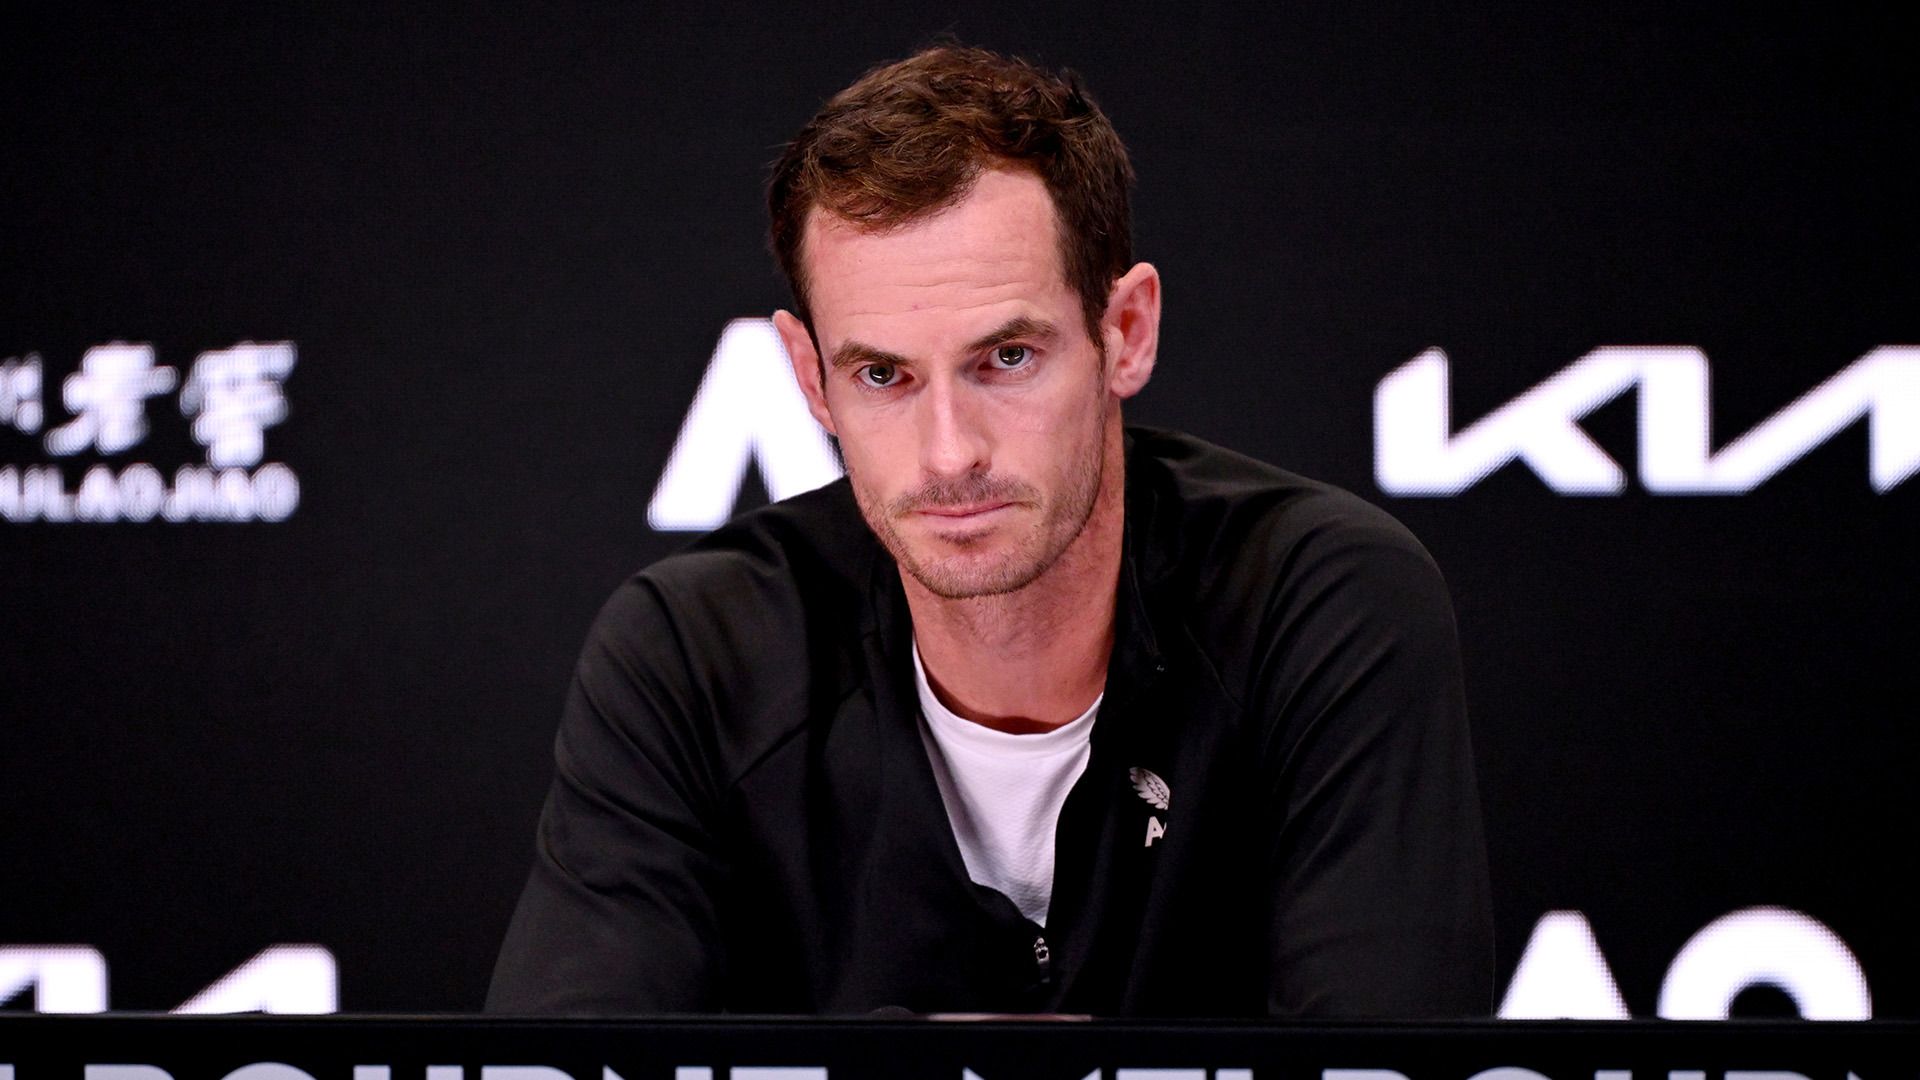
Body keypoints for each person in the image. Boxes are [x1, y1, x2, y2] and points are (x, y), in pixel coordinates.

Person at [487, 45, 1492, 1017]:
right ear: (811, 380)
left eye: (1006, 358)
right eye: (884, 376)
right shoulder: (696, 655)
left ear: (1125, 331)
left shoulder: (1319, 605)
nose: (948, 453)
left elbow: (1384, 1075)